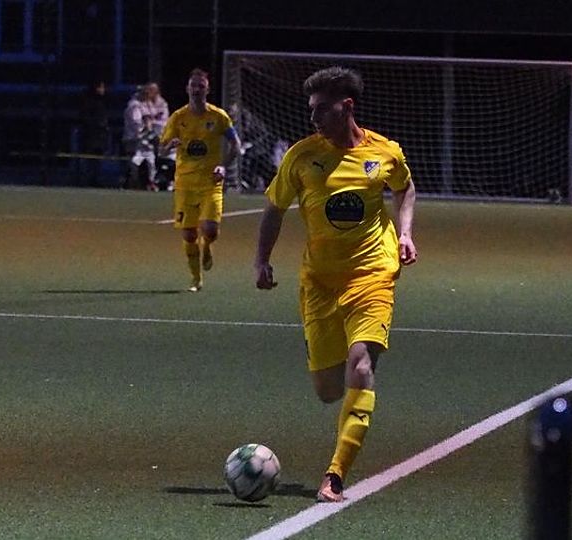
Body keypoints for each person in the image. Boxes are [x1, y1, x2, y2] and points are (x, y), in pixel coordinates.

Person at [254, 66, 418, 503]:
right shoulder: (301, 157)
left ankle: (335, 475)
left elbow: (405, 189)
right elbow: (274, 209)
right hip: (320, 283)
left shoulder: (385, 152)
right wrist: (261, 259)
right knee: (328, 390)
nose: (313, 118)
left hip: (373, 274)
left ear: (347, 107)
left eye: (322, 109)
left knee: (361, 367)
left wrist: (404, 233)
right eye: (311, 110)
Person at [159, 68, 241, 291]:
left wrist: (223, 166)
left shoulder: (218, 117)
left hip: (210, 183)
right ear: (187, 88)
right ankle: (196, 279)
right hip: (185, 184)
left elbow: (236, 144)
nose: (196, 90)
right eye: (193, 86)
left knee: (210, 230)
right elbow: (161, 149)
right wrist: (169, 145)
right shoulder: (178, 118)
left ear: (208, 90)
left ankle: (208, 247)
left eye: (201, 86)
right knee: (189, 234)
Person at [79, 80, 110, 187]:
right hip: (91, 135)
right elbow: (85, 117)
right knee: (90, 158)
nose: (103, 90)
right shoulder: (89, 102)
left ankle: (95, 178)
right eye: (101, 87)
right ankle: (88, 178)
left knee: (98, 158)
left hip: (100, 134)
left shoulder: (102, 101)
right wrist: (97, 124)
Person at [130, 114, 160, 191]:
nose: (146, 123)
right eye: (145, 121)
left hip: (149, 153)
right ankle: (135, 180)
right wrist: (140, 137)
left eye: (148, 121)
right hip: (140, 152)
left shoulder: (154, 133)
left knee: (151, 165)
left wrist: (148, 145)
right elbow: (136, 139)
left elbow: (156, 145)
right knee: (134, 163)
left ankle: (151, 182)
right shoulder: (141, 131)